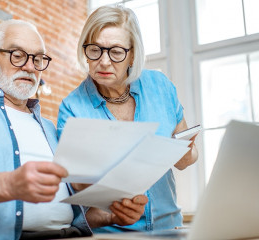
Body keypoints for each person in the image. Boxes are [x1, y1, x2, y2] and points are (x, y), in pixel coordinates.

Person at [0, 19, 148, 240]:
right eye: (17, 55)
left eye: (38, 59)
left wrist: (110, 215)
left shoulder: (48, 127)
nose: (30, 67)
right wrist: (8, 184)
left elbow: (66, 212)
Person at [57, 5, 199, 233]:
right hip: (112, 234)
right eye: (95, 50)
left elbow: (188, 155)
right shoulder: (72, 107)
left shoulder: (160, 86)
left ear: (132, 53)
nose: (103, 61)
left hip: (169, 228)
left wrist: (186, 153)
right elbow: (75, 186)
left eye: (115, 52)